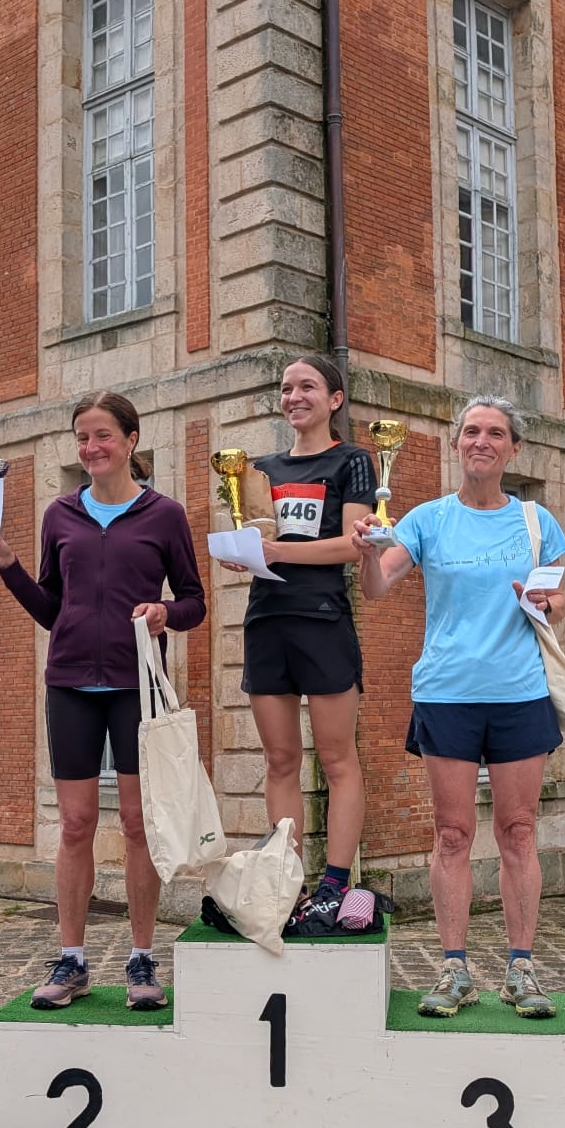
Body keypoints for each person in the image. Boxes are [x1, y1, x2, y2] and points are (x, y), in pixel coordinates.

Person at [0, 391, 205, 1012]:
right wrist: (9, 564)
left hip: (135, 687)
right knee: (75, 824)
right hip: (70, 683)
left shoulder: (164, 515)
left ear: (131, 440)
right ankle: (71, 959)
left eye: (103, 435)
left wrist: (165, 612)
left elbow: (194, 602)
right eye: (82, 437)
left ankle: (142, 957)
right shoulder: (60, 515)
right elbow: (53, 609)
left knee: (136, 824)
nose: (92, 447)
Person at [351, 394, 565, 1018]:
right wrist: (367, 553)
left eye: (495, 433)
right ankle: (454, 970)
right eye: (471, 431)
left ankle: (521, 970)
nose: (481, 442)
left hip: (519, 692)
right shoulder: (428, 519)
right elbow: (377, 587)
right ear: (455, 445)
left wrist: (544, 601)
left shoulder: (536, 522)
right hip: (446, 694)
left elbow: (558, 602)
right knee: (452, 834)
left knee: (518, 831)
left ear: (513, 449)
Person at [228, 354, 375, 933]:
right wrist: (239, 552)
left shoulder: (352, 460)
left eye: (307, 386)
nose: (294, 396)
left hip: (323, 620)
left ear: (334, 399)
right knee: (280, 760)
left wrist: (277, 552)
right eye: (287, 387)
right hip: (266, 621)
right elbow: (254, 540)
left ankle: (335, 887)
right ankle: (287, 884)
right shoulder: (258, 469)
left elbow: (353, 546)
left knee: (337, 758)